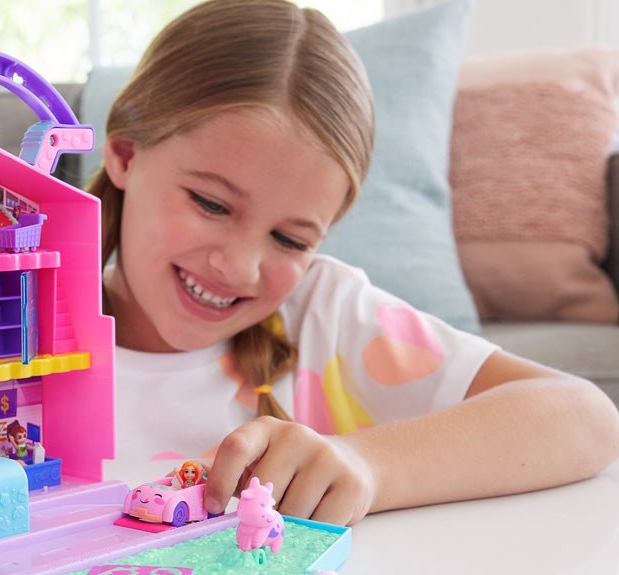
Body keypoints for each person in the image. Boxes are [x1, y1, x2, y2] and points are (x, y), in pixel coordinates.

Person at [88, 0, 619, 526]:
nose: (240, 267)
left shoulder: (325, 315)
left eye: (290, 239)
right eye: (211, 204)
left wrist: (367, 463)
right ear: (126, 156)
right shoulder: (34, 337)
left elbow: (587, 418)